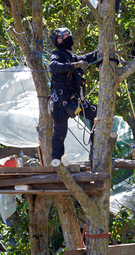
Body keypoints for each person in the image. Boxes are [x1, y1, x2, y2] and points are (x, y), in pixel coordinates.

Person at [49, 27, 98, 165]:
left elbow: (87, 57)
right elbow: (53, 66)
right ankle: (56, 160)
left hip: (75, 100)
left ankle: (95, 151)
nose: (68, 37)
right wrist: (75, 65)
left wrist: (101, 52)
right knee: (60, 131)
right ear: (58, 40)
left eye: (68, 35)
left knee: (97, 115)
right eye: (64, 36)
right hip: (61, 101)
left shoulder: (72, 56)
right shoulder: (57, 55)